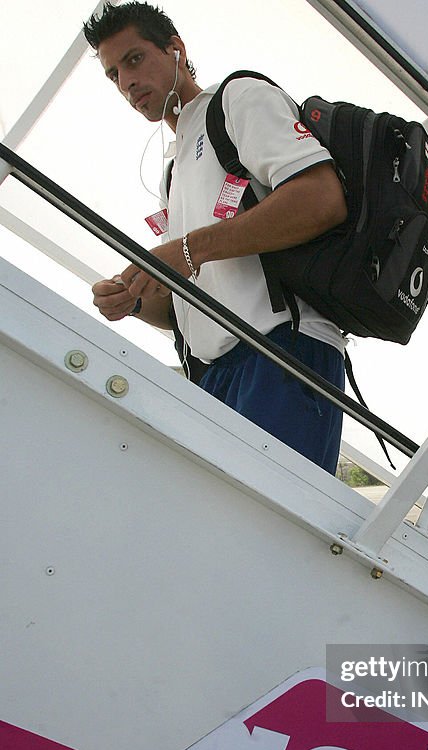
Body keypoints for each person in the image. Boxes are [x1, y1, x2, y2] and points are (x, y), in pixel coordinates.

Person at [83, 2, 348, 473]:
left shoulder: (236, 101)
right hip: (212, 374)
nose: (126, 82)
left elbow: (322, 199)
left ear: (176, 50)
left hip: (282, 352)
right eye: (113, 75)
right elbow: (191, 302)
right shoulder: (171, 169)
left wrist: (187, 250)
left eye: (135, 59)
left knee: (265, 532)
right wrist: (135, 301)